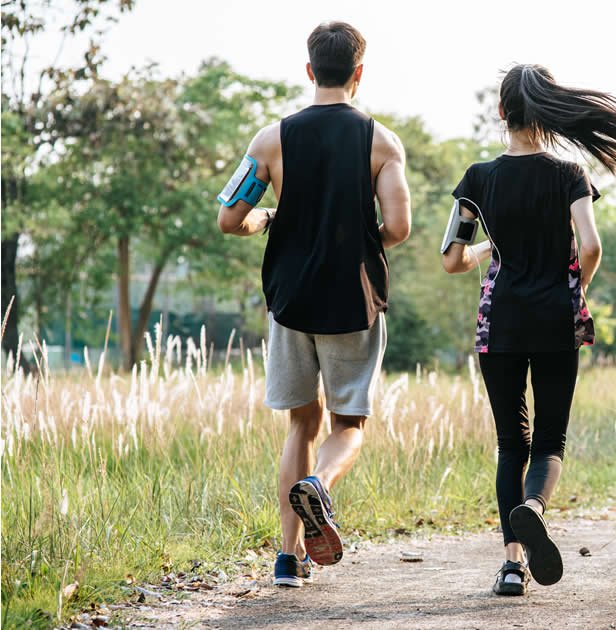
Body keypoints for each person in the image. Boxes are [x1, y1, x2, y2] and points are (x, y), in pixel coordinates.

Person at [216, 21, 412, 588]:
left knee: (301, 424)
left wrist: (272, 218)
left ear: (309, 71)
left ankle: (286, 557)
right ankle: (320, 487)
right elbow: (397, 227)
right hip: (354, 300)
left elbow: (231, 219)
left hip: (291, 301)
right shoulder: (382, 142)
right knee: (348, 423)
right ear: (358, 73)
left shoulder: (269, 141)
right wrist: (356, 237)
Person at [441, 64, 616, 596]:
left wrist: (493, 248)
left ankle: (512, 565)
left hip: (500, 322)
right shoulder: (569, 174)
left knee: (512, 441)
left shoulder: (477, 179)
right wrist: (578, 293)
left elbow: (453, 260)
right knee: (550, 439)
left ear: (502, 112)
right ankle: (535, 505)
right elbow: (592, 245)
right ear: (546, 111)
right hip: (556, 318)